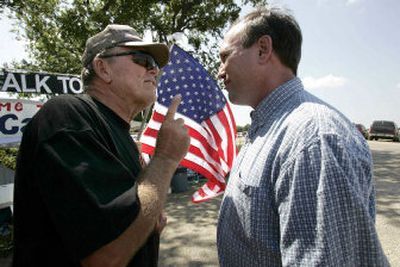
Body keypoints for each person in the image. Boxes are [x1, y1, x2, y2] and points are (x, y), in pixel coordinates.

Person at [216, 7, 389, 267]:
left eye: (225, 57)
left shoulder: (312, 140)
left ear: (263, 49)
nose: (220, 71)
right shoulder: (271, 127)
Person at [12, 24, 190, 267]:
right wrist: (166, 158)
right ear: (103, 68)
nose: (153, 70)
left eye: (155, 65)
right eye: (142, 59)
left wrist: (146, 222)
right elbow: (106, 255)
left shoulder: (121, 135)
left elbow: (130, 219)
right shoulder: (67, 115)